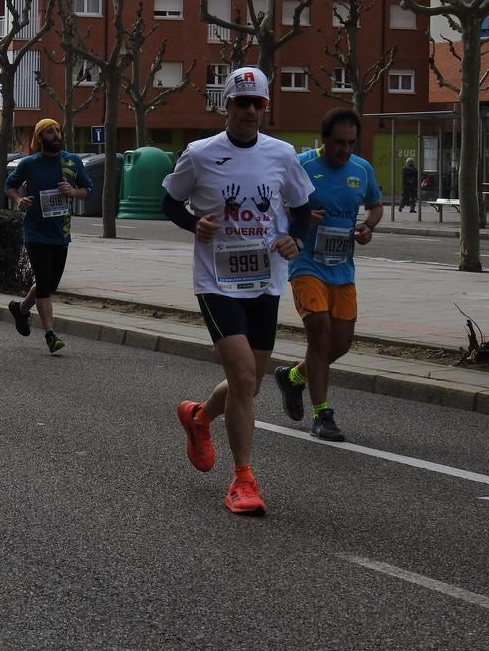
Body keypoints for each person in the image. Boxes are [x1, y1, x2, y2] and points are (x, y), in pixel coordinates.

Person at [161, 66, 314, 515]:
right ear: (226, 105)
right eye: (241, 102)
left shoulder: (283, 154)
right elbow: (169, 198)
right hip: (216, 280)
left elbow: (303, 209)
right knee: (245, 379)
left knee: (249, 383)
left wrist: (296, 238)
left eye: (257, 103)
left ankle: (199, 416)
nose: (249, 110)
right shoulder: (200, 153)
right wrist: (194, 223)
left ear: (265, 107)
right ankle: (243, 480)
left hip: (265, 279)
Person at [273, 108, 384, 443]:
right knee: (320, 335)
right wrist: (301, 216)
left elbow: (375, 205)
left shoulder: (361, 169)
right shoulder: (302, 165)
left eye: (351, 142)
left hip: (342, 265)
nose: (345, 149)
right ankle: (323, 415)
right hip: (306, 261)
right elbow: (275, 204)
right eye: (339, 142)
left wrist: (368, 226)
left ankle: (293, 376)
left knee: (341, 343)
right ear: (323, 139)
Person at [5, 118, 92, 354]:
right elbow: (10, 186)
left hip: (60, 233)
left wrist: (73, 191)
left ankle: (21, 309)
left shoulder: (72, 161)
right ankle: (50, 334)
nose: (56, 135)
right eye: (50, 132)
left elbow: (87, 190)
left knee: (50, 284)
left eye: (57, 131)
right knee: (44, 282)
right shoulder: (29, 164)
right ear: (40, 137)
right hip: (35, 231)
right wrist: (19, 200)